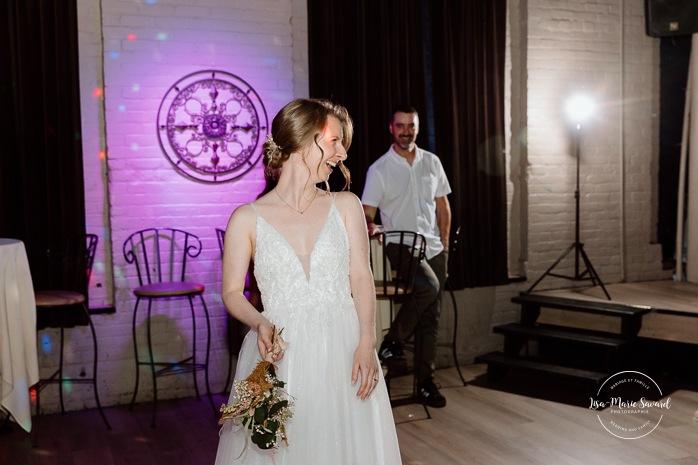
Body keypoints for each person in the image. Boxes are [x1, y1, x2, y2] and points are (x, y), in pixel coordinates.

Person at [215, 98, 402, 464]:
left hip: (345, 347)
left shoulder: (346, 205)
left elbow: (362, 276)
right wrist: (259, 321)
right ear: (303, 139)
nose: (342, 153)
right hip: (283, 352)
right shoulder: (246, 218)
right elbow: (232, 292)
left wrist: (367, 341)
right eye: (334, 141)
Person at [361, 104, 452, 408]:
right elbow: (367, 215)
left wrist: (446, 243)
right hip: (400, 244)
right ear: (391, 128)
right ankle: (392, 342)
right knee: (428, 287)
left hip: (435, 247)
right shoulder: (379, 169)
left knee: (431, 318)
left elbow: (442, 206)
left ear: (417, 127)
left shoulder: (432, 162)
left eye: (410, 126)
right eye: (400, 126)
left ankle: (426, 382)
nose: (406, 132)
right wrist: (370, 226)